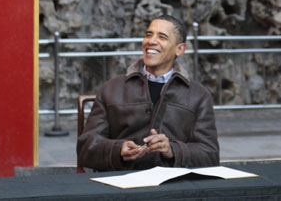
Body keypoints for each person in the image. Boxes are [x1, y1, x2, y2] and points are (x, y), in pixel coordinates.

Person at [77, 14, 219, 171]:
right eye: (148, 35)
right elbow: (85, 149)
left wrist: (172, 150)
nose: (151, 41)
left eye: (162, 37)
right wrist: (118, 150)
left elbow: (210, 155)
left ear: (180, 49)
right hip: (121, 181)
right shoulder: (111, 88)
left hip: (172, 183)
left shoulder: (199, 96)